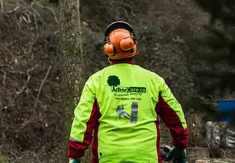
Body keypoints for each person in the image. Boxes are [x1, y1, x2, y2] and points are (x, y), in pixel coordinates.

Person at [67, 21, 188, 163]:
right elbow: (176, 115)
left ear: (108, 49)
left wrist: (75, 155)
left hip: (108, 157)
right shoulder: (154, 81)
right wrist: (180, 145)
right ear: (133, 46)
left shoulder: (96, 81)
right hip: (146, 157)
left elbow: (82, 121)